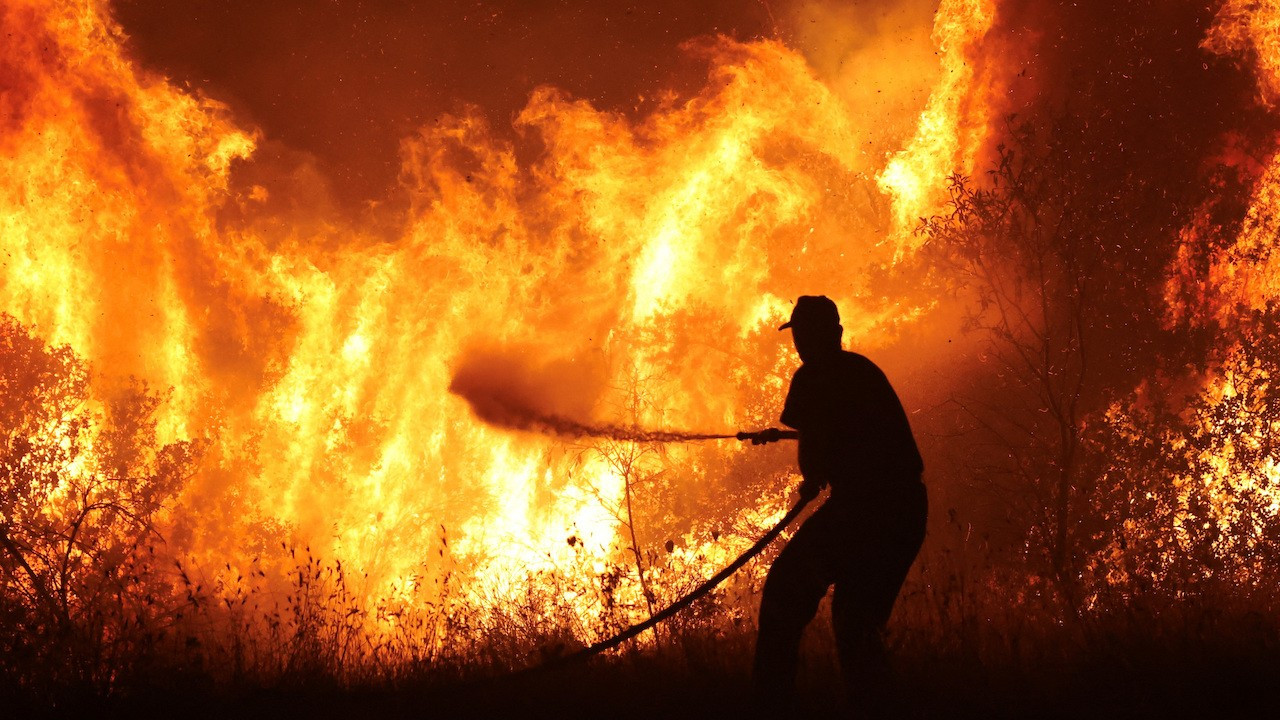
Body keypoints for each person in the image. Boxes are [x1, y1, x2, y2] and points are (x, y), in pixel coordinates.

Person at [751, 295, 927, 715]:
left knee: (784, 594)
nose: (799, 345)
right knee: (857, 625)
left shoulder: (813, 376)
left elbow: (815, 452)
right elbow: (853, 432)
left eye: (802, 335)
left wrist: (811, 477)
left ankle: (769, 705)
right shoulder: (862, 369)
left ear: (820, 335)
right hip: (905, 510)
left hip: (865, 511)